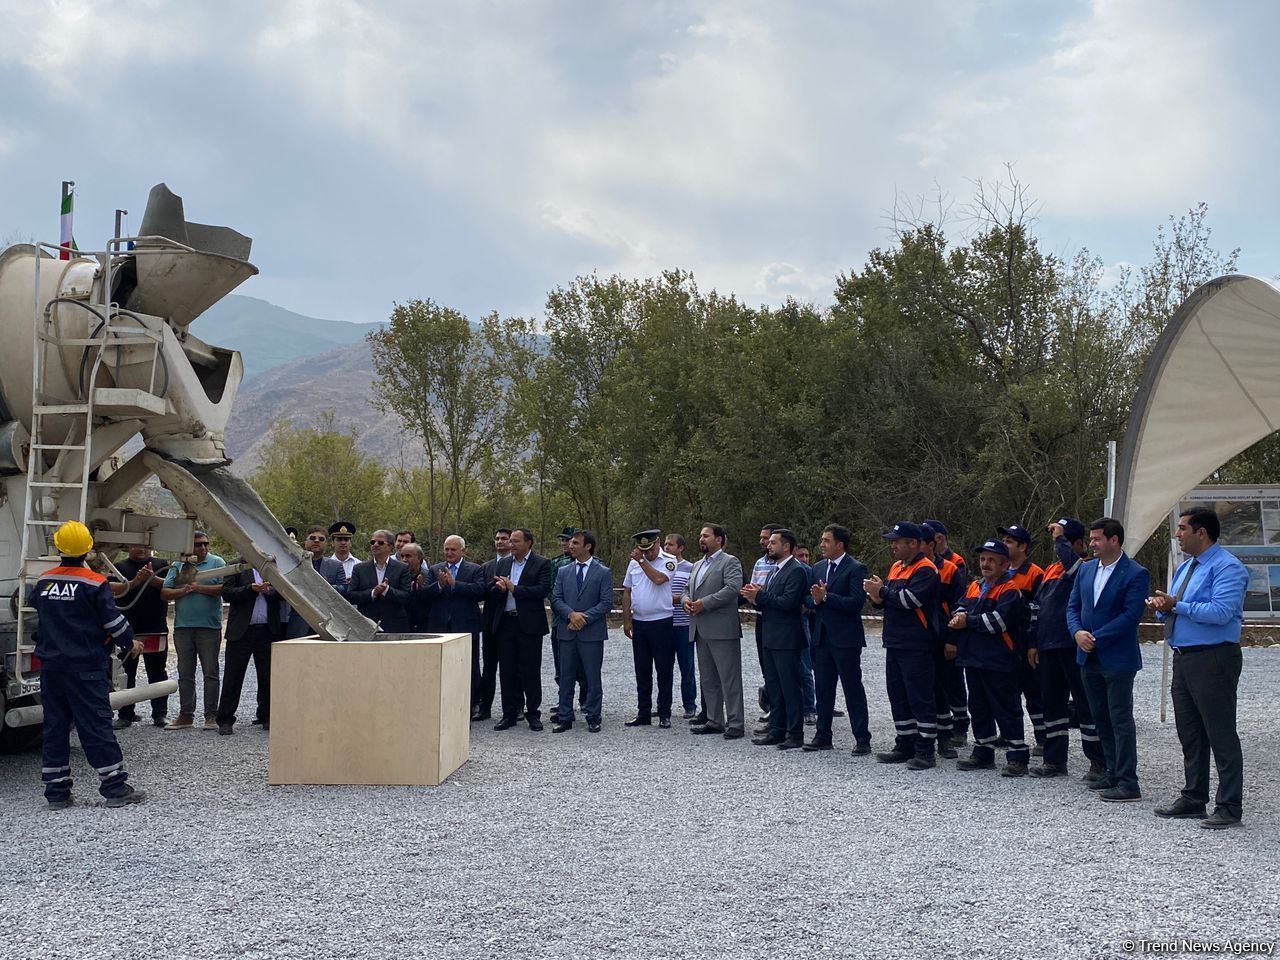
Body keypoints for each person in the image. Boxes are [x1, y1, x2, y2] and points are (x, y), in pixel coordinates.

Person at [34, 521, 147, 809]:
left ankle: (57, 793)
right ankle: (114, 788)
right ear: (89, 549)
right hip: (85, 666)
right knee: (95, 725)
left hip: (52, 667)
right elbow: (113, 622)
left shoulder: (44, 582)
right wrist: (129, 643)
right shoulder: (95, 583)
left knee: (55, 726)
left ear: (58, 547)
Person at [1149, 507, 1249, 830]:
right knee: (1190, 732)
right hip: (1185, 657)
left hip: (1214, 658)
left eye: (1181, 529)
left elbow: (1221, 612)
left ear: (1201, 532)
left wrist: (1177, 604)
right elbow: (1180, 609)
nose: (1177, 535)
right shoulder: (1186, 567)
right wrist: (1163, 609)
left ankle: (1229, 806)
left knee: (1220, 732)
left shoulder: (1228, 568)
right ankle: (1194, 797)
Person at [1067, 517, 1150, 803]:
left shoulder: (1136, 573)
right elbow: (1073, 606)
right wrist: (1077, 632)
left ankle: (1128, 782)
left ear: (1114, 540)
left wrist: (1096, 637)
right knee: (1099, 716)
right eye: (1091, 539)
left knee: (1120, 718)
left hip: (1117, 658)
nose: (1091, 544)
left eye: (1097, 539)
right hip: (1087, 656)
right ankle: (1112, 771)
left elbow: (1131, 616)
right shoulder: (1086, 570)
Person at [1027, 517, 1105, 780]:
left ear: (1079, 543)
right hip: (1048, 645)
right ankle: (1054, 760)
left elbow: (1074, 570)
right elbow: (1037, 607)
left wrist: (1061, 540)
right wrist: (1033, 642)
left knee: (1085, 704)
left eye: (1065, 541)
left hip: (1073, 645)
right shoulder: (1051, 569)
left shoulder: (1086, 565)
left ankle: (1097, 761)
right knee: (1052, 704)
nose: (1058, 546)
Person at [948, 539, 1030, 777]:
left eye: (992, 560)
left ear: (1005, 565)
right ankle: (983, 751)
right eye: (983, 559)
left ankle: (1017, 756)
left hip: (1000, 660)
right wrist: (960, 616)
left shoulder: (1010, 591)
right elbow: (960, 607)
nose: (986, 564)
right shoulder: (975, 585)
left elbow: (998, 622)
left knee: (1006, 708)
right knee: (978, 706)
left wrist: (967, 621)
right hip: (973, 657)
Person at [865, 521, 939, 770]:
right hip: (894, 641)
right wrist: (876, 597)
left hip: (917, 642)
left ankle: (926, 750)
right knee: (898, 696)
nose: (893, 545)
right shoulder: (897, 567)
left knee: (920, 697)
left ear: (914, 543)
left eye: (897, 541)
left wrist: (882, 592)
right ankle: (904, 743)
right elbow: (889, 602)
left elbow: (911, 600)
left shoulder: (926, 569)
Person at [804, 524, 870, 754]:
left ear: (839, 544)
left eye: (826, 541)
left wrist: (827, 597)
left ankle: (862, 738)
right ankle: (823, 735)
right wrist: (816, 600)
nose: (821, 544)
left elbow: (856, 603)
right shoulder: (818, 568)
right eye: (822, 540)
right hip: (822, 637)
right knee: (823, 689)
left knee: (852, 689)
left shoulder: (856, 568)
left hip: (846, 639)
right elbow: (810, 599)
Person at [682, 524, 745, 739]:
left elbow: (733, 588)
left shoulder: (730, 562)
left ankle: (736, 722)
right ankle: (714, 719)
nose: (701, 539)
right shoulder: (697, 565)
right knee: (708, 679)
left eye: (706, 536)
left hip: (722, 629)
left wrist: (705, 603)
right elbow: (685, 588)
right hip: (700, 628)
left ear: (719, 540)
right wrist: (685, 601)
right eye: (700, 536)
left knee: (729, 678)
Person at [161, 530, 226, 730]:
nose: (203, 548)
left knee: (211, 672)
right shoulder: (178, 565)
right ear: (190, 547)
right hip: (183, 627)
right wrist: (183, 590)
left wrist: (198, 588)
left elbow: (224, 588)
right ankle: (186, 715)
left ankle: (211, 715)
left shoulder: (218, 563)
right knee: (185, 673)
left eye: (206, 544)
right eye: (198, 544)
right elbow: (165, 591)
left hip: (209, 626)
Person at [488, 528, 553, 730]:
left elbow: (543, 590)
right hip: (505, 623)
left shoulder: (542, 563)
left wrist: (515, 589)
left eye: (515, 541)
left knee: (530, 670)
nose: (511, 544)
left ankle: (533, 713)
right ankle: (509, 713)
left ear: (528, 543)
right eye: (511, 541)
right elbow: (492, 590)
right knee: (507, 670)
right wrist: (499, 590)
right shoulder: (504, 563)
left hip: (528, 624)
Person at [550, 530, 613, 733]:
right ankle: (565, 716)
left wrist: (583, 618)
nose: (571, 545)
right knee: (566, 675)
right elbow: (556, 598)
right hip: (567, 631)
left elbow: (606, 603)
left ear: (588, 546)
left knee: (592, 676)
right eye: (571, 543)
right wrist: (571, 615)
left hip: (591, 633)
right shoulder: (563, 571)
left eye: (575, 543)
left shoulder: (603, 572)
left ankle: (593, 716)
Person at [215, 561, 285, 734]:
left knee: (268, 676)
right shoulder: (236, 566)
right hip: (241, 631)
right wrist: (250, 590)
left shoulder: (274, 566)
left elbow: (285, 593)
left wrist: (270, 591)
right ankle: (225, 719)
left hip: (268, 630)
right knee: (233, 676)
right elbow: (226, 592)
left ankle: (266, 715)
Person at [423, 535, 486, 710]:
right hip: (440, 624)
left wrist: (455, 584)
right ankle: (441, 701)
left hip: (465, 624)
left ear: (462, 551)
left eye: (453, 549)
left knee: (469, 664)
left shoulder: (474, 569)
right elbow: (425, 595)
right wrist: (440, 585)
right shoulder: (435, 569)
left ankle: (472, 702)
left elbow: (480, 591)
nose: (449, 553)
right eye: (446, 549)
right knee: (441, 664)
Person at [622, 530, 678, 728]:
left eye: (651, 549)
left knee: (664, 670)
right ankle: (643, 713)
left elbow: (659, 579)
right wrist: (627, 620)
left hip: (662, 622)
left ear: (658, 543)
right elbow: (628, 591)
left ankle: (664, 713)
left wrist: (643, 562)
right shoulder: (633, 563)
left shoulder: (669, 560)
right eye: (643, 550)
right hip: (640, 622)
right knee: (642, 670)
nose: (648, 553)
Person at [111, 544, 171, 729]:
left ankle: (160, 714)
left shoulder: (161, 564)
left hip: (155, 627)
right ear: (129, 546)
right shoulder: (119, 567)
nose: (141, 550)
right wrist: (135, 581)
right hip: (128, 630)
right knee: (127, 672)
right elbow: (113, 589)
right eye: (137, 546)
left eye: (145, 546)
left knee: (158, 672)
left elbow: (171, 586)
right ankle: (126, 714)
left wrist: (152, 579)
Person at [1000, 523, 1047, 754]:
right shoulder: (1001, 571)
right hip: (1005, 643)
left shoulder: (1035, 573)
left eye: (1009, 541)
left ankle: (1042, 737)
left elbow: (1039, 610)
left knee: (1034, 692)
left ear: (1023, 546)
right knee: (1007, 692)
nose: (1004, 544)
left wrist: (1034, 643)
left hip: (1025, 640)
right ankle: (1009, 734)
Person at [920, 522, 963, 758]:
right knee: (922, 688)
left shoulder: (950, 568)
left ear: (931, 544)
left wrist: (953, 640)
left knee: (942, 688)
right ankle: (921, 736)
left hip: (941, 635)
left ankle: (945, 739)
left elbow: (959, 606)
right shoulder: (906, 567)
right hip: (919, 638)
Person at [927, 518, 970, 745]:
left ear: (938, 540)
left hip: (947, 629)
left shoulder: (955, 564)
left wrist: (953, 637)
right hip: (930, 632)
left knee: (953, 679)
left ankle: (961, 724)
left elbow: (958, 602)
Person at [476, 528, 514, 720]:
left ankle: (515, 708)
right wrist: (496, 588)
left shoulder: (516, 564)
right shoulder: (487, 566)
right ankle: (485, 708)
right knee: (488, 667)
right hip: (491, 622)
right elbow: (482, 591)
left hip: (511, 622)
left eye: (504, 539)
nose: (500, 541)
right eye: (497, 538)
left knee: (512, 668)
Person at [287, 525, 348, 638]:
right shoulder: (293, 564)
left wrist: (326, 586)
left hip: (330, 623)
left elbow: (344, 589)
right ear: (305, 542)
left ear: (326, 544)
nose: (316, 541)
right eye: (312, 538)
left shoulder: (336, 566)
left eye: (321, 539)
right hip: (300, 622)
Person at [549, 526, 586, 710]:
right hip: (560, 620)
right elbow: (552, 592)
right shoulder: (557, 564)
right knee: (561, 665)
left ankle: (586, 699)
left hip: (585, 621)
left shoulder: (595, 564)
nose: (565, 544)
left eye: (569, 540)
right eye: (563, 540)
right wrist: (567, 614)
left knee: (584, 665)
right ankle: (564, 702)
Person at [748, 524, 782, 723]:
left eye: (768, 539)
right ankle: (772, 707)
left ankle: (803, 708)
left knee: (788, 668)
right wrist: (752, 594)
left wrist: (762, 594)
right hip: (762, 619)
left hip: (781, 620)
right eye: (762, 539)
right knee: (766, 665)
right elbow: (754, 591)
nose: (763, 543)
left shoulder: (787, 565)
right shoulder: (760, 563)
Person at [346, 529, 412, 632]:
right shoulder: (359, 568)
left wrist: (387, 590)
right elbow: (351, 595)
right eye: (372, 542)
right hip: (366, 624)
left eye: (380, 542)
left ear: (390, 547)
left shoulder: (402, 568)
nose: (375, 545)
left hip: (394, 625)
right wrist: (373, 593)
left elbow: (407, 597)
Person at [664, 532, 699, 720]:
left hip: (683, 623)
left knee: (687, 666)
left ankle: (690, 705)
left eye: (670, 545)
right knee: (664, 667)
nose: (666, 547)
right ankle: (664, 706)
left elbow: (693, 593)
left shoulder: (691, 568)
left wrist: (674, 599)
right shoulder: (660, 567)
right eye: (665, 544)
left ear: (680, 548)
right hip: (664, 623)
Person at [398, 542, 430, 631]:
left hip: (426, 626)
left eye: (408, 556)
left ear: (419, 558)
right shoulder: (397, 576)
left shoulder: (429, 576)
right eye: (402, 556)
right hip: (403, 625)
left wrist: (422, 589)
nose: (404, 559)